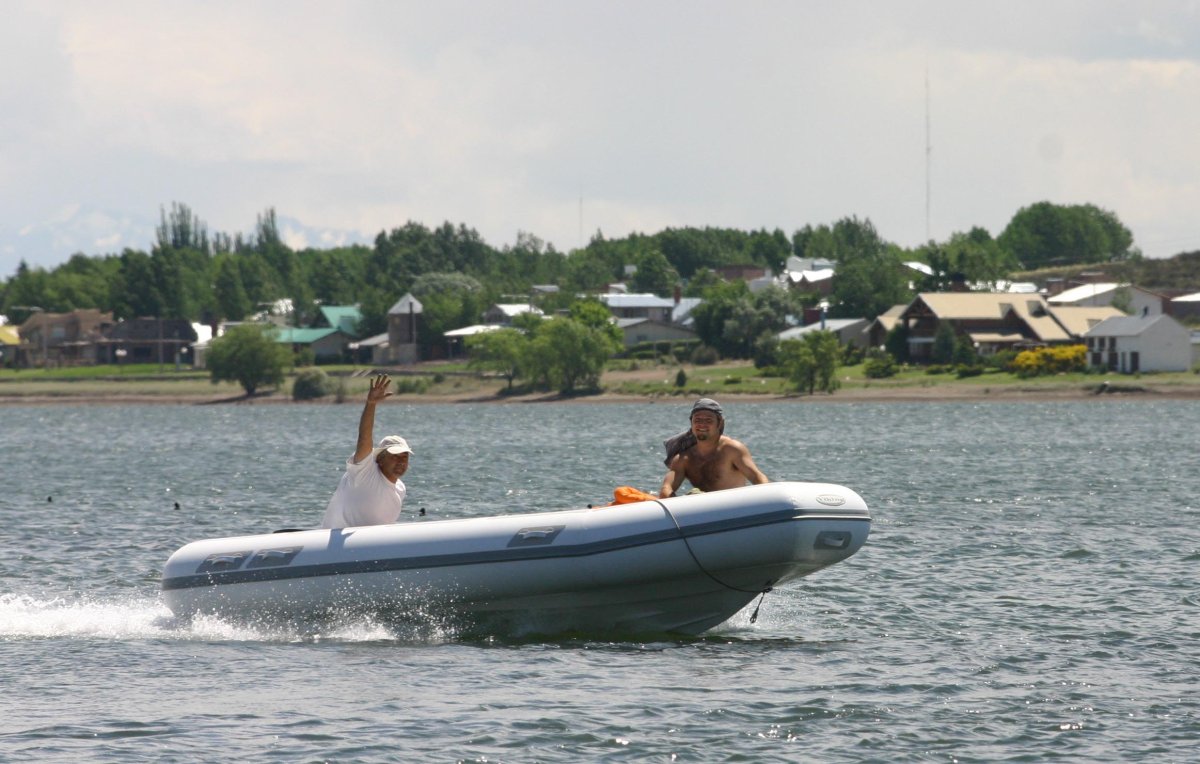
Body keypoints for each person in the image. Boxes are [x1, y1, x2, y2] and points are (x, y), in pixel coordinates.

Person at [320, 374, 413, 529]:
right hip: (333, 548)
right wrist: (371, 404)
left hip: (370, 548)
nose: (401, 461)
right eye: (395, 456)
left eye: (404, 456)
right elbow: (364, 439)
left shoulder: (400, 488)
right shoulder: (364, 473)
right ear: (380, 459)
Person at [659, 397, 769, 498]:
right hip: (705, 511)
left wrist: (769, 499)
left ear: (720, 423)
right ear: (691, 423)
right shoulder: (683, 459)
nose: (702, 425)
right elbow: (666, 488)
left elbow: (756, 477)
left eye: (708, 420)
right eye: (697, 420)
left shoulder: (731, 450)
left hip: (735, 509)